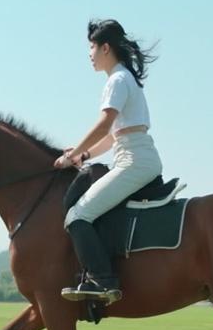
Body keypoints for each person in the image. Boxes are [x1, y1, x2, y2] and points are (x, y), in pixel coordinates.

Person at [53, 19, 163, 304]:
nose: (89, 54)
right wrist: (82, 155)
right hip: (135, 156)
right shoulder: (124, 78)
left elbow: (104, 126)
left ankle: (102, 281)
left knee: (77, 215)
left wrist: (69, 156)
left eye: (91, 47)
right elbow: (114, 137)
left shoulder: (117, 80)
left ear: (105, 47)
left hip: (134, 162)